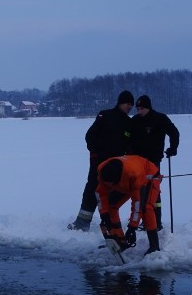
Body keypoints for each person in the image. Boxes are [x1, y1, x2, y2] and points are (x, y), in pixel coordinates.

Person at [68, 90, 134, 231]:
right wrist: (94, 154)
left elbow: (130, 145)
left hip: (116, 165)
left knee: (111, 193)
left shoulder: (129, 123)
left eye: (131, 105)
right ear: (120, 102)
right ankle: (82, 222)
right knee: (92, 188)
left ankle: (109, 223)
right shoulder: (105, 115)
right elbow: (90, 135)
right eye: (127, 103)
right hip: (98, 161)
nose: (129, 107)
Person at [130, 95, 180, 230]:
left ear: (148, 107)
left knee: (153, 192)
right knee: (140, 191)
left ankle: (156, 222)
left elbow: (174, 133)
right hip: (137, 162)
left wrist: (173, 148)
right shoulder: (135, 121)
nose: (139, 111)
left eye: (142, 109)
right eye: (138, 108)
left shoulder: (160, 118)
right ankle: (145, 220)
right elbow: (128, 137)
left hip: (153, 162)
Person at [96, 155, 163, 255]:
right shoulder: (102, 170)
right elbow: (100, 194)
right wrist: (104, 215)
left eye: (111, 184)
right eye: (107, 184)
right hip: (125, 181)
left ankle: (154, 247)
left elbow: (137, 204)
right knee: (111, 207)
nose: (109, 186)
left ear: (116, 179)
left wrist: (132, 228)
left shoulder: (134, 175)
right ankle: (119, 240)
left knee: (146, 208)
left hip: (149, 176)